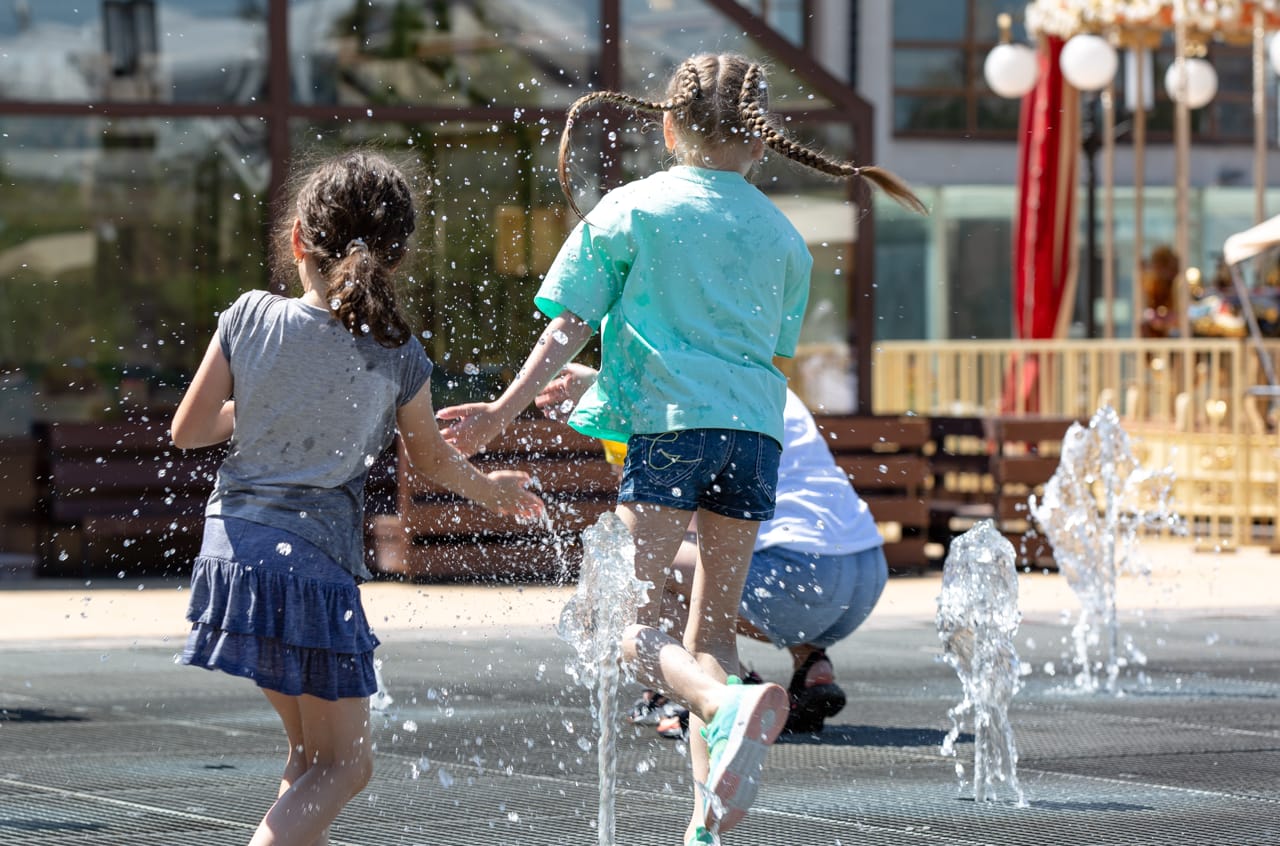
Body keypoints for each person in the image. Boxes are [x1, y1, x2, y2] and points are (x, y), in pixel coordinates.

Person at [438, 54, 923, 845]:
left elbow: (570, 324)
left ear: (666, 129)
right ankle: (709, 823)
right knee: (713, 641)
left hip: (670, 433)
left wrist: (501, 411)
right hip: (755, 438)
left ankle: (729, 707)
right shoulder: (784, 237)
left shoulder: (633, 208)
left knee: (623, 619)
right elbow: (762, 353)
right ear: (761, 145)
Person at [170, 150, 544, 846]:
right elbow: (430, 460)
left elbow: (188, 430)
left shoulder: (249, 315)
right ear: (396, 259)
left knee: (311, 760)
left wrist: (257, 407)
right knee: (348, 764)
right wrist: (490, 490)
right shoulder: (398, 351)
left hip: (232, 553)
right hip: (310, 567)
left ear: (296, 241)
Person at [539, 367, 887, 738]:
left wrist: (604, 383)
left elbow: (674, 525)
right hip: (866, 571)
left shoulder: (680, 391)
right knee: (722, 557)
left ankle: (719, 685)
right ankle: (810, 665)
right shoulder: (761, 376)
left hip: (795, 578)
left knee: (629, 573)